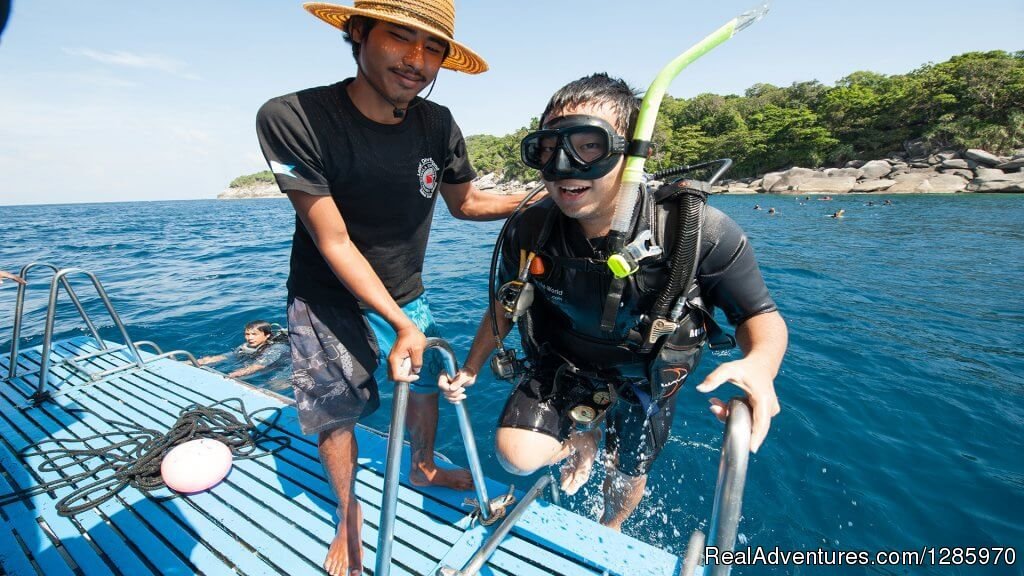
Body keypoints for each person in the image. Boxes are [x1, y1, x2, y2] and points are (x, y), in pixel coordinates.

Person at [255, 2, 536, 574]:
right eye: (400, 37)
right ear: (358, 32)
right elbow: (333, 241)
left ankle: (424, 466)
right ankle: (348, 512)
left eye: (432, 47)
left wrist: (549, 198)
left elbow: (467, 202)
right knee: (336, 412)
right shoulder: (293, 117)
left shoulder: (437, 123)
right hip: (324, 296)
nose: (417, 60)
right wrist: (403, 323)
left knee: (428, 385)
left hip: (407, 289)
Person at [440, 74, 787, 531]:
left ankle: (611, 529)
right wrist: (471, 365)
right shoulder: (531, 228)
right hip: (563, 359)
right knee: (516, 456)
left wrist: (761, 365)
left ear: (631, 154)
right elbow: (506, 303)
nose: (564, 166)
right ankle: (580, 439)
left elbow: (759, 315)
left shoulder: (694, 231)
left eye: (588, 145)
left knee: (626, 472)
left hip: (643, 372)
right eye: (547, 148)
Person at [198, 320, 289, 379]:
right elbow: (224, 356)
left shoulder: (277, 348)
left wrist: (232, 375)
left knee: (275, 386)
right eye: (247, 334)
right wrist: (195, 362)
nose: (250, 338)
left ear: (267, 335)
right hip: (263, 363)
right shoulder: (246, 346)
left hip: (284, 367)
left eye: (254, 334)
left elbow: (258, 366)